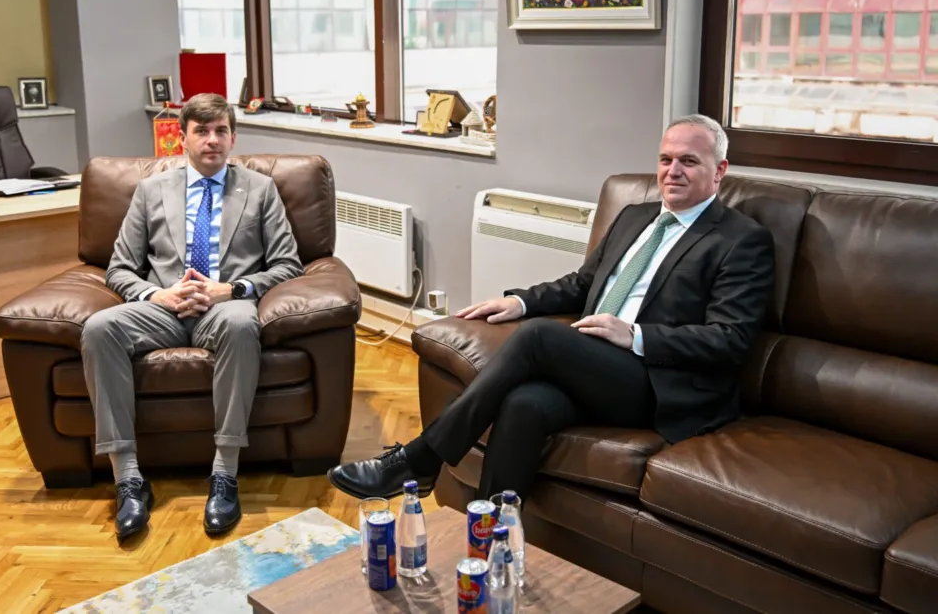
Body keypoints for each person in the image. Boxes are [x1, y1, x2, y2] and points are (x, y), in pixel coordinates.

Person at [327, 113, 775, 503]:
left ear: (719, 171)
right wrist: (520, 300)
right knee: (524, 403)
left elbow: (730, 339)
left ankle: (421, 459)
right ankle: (493, 540)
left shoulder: (740, 239)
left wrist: (635, 335)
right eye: (665, 159)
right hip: (595, 364)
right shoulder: (635, 217)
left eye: (688, 161)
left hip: (659, 382)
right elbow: (582, 285)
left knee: (539, 335)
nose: (672, 171)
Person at [81, 93, 303, 540]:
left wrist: (232, 289)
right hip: (163, 307)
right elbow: (119, 268)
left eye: (221, 131)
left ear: (233, 138)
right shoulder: (151, 190)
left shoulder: (260, 190)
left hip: (224, 306)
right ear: (182, 138)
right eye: (201, 131)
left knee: (241, 323)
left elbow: (288, 264)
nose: (212, 140)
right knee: (99, 328)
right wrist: (157, 294)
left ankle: (224, 473)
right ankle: (128, 478)